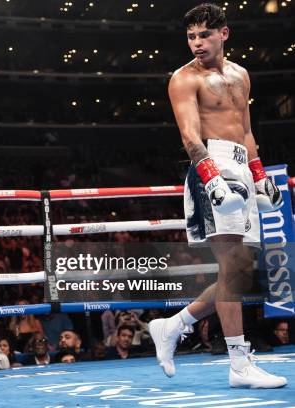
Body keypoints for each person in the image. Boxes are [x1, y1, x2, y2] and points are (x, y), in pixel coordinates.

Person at [149, 3, 286, 389]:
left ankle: (174, 325)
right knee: (233, 267)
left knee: (239, 271)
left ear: (223, 33)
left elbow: (245, 130)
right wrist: (212, 177)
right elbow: (190, 135)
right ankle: (239, 364)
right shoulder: (183, 79)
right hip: (212, 165)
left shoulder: (241, 75)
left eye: (204, 35)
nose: (196, 43)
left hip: (241, 165)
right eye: (191, 36)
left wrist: (260, 177)